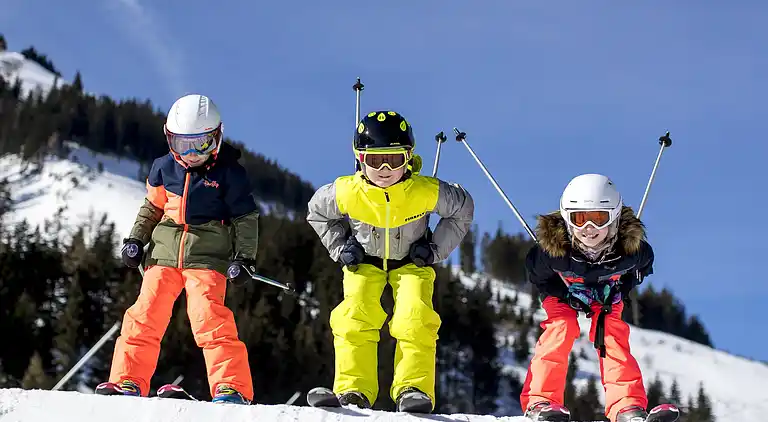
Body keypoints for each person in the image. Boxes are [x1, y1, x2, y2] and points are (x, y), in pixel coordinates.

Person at [95, 94, 259, 405]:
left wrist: (244, 259)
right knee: (144, 315)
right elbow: (152, 207)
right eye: (184, 145)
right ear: (170, 139)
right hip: (162, 255)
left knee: (209, 318)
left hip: (207, 257)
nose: (193, 153)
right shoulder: (163, 169)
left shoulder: (229, 173)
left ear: (217, 138)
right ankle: (128, 380)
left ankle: (231, 387)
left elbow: (246, 220)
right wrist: (135, 240)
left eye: (202, 144)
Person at [306, 110, 474, 413]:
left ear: (408, 157)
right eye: (375, 160)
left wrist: (434, 249)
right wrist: (342, 246)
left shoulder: (424, 190)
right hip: (364, 262)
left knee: (415, 317)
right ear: (359, 158)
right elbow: (317, 212)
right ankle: (353, 390)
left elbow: (462, 208)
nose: (385, 169)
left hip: (410, 263)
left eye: (394, 160)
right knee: (353, 317)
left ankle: (413, 388)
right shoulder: (347, 191)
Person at [521, 173, 665, 422]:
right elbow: (538, 277)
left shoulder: (630, 250)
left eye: (599, 218)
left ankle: (626, 404)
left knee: (611, 333)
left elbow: (642, 269)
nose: (589, 230)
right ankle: (541, 401)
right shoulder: (554, 251)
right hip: (563, 292)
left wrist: (622, 288)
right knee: (561, 327)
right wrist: (565, 294)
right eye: (579, 219)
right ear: (567, 220)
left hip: (608, 294)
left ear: (615, 218)